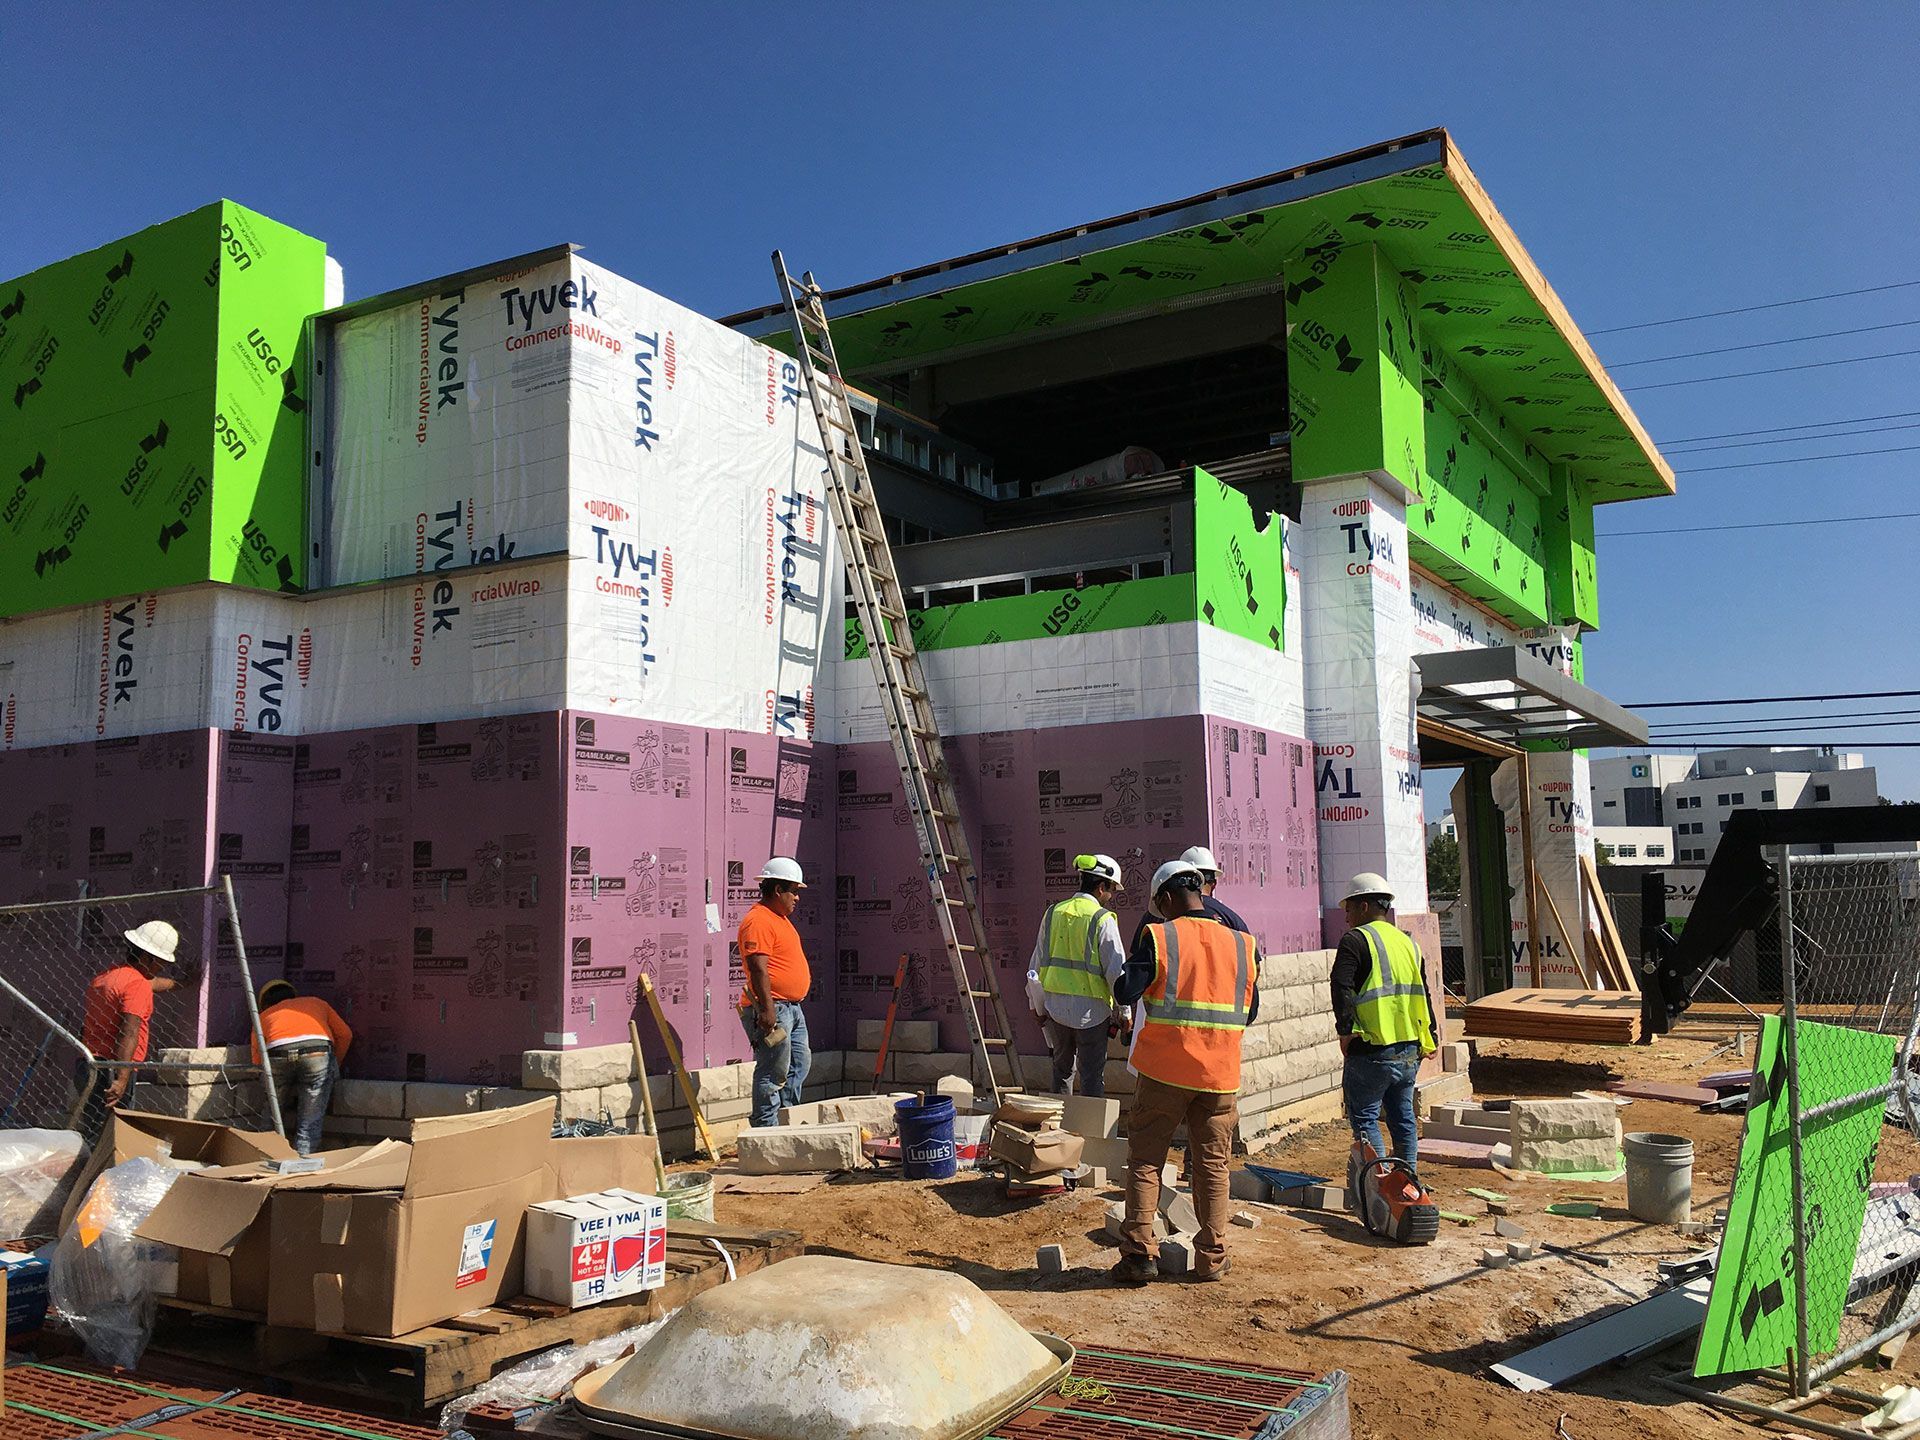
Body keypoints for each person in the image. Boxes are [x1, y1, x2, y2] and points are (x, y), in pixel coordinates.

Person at [1110, 860, 1260, 1285]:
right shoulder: (1242, 944)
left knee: (1145, 1160)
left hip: (1165, 1071)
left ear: (1168, 898)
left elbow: (1125, 990)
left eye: (1160, 905)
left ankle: (1140, 1254)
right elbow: (1250, 1010)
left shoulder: (1160, 936)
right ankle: (1212, 1258)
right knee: (1213, 1165)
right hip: (1220, 1074)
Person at [1330, 873, 1437, 1178]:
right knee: (1403, 1117)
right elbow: (1424, 992)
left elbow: (1341, 986)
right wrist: (1430, 1036)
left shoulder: (1356, 940)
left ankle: (1380, 1189)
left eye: (1348, 908)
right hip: (1408, 1049)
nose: (1347, 916)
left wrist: (1346, 1032)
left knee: (1365, 1119)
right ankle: (1408, 1182)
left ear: (1364, 906)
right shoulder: (1407, 943)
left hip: (1371, 1047)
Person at [1024, 854, 1127, 1096]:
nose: (1110, 897)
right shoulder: (1102, 919)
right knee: (1092, 1075)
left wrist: (1035, 1004)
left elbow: (1035, 965)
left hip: (1055, 1009)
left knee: (1061, 1072)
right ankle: (1089, 1130)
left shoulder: (1053, 913)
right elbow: (1116, 971)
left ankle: (1057, 1129)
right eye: (1111, 890)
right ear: (1101, 887)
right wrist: (1125, 1012)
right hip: (1092, 1014)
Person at [76, 920, 187, 1144]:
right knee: (111, 1135)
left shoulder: (108, 976)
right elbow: (129, 1032)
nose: (161, 967)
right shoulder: (137, 985)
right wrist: (122, 1078)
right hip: (113, 1069)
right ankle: (101, 1175)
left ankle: (87, 1171)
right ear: (147, 958)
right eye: (160, 963)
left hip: (89, 1064)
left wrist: (183, 983)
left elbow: (154, 983)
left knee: (91, 1129)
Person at [738, 857, 813, 1129]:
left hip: (791, 1007)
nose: (797, 897)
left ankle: (786, 1120)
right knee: (772, 1072)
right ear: (778, 890)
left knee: (799, 1064)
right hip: (774, 1008)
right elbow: (758, 967)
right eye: (793, 890)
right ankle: (765, 1129)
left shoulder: (779, 919)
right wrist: (768, 1010)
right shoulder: (758, 920)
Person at [250, 979, 354, 1156]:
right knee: (309, 1122)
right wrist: (333, 1065)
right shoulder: (316, 1003)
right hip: (317, 1053)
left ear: (264, 1003)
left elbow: (258, 1061)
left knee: (271, 1112)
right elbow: (345, 1034)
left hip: (277, 1052)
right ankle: (303, 1165)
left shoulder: (263, 1016)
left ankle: (263, 1157)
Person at [1129, 844, 1249, 949]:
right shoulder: (1230, 918)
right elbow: (1252, 962)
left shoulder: (1160, 910)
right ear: (1213, 884)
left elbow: (1138, 959)